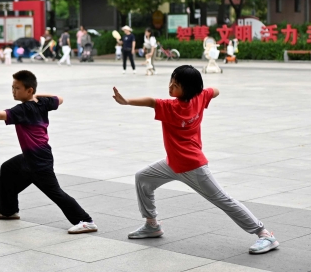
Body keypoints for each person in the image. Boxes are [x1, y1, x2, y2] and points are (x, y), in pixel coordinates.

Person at [112, 65, 279, 254]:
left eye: (176, 85)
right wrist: (204, 93)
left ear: (188, 89)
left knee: (223, 200)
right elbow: (215, 90)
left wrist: (127, 101)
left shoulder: (171, 106)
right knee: (143, 178)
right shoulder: (200, 97)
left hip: (193, 166)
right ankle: (152, 225)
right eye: (171, 81)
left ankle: (265, 234)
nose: (170, 87)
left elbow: (151, 101)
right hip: (172, 163)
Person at [0, 70, 97, 234]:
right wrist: (36, 94)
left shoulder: (22, 110)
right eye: (12, 87)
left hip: (38, 160)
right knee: (8, 168)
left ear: (28, 90)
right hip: (33, 156)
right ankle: (8, 211)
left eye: (17, 88)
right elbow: (60, 99)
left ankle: (85, 220)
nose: (13, 91)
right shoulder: (42, 102)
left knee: (55, 192)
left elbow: (1, 115)